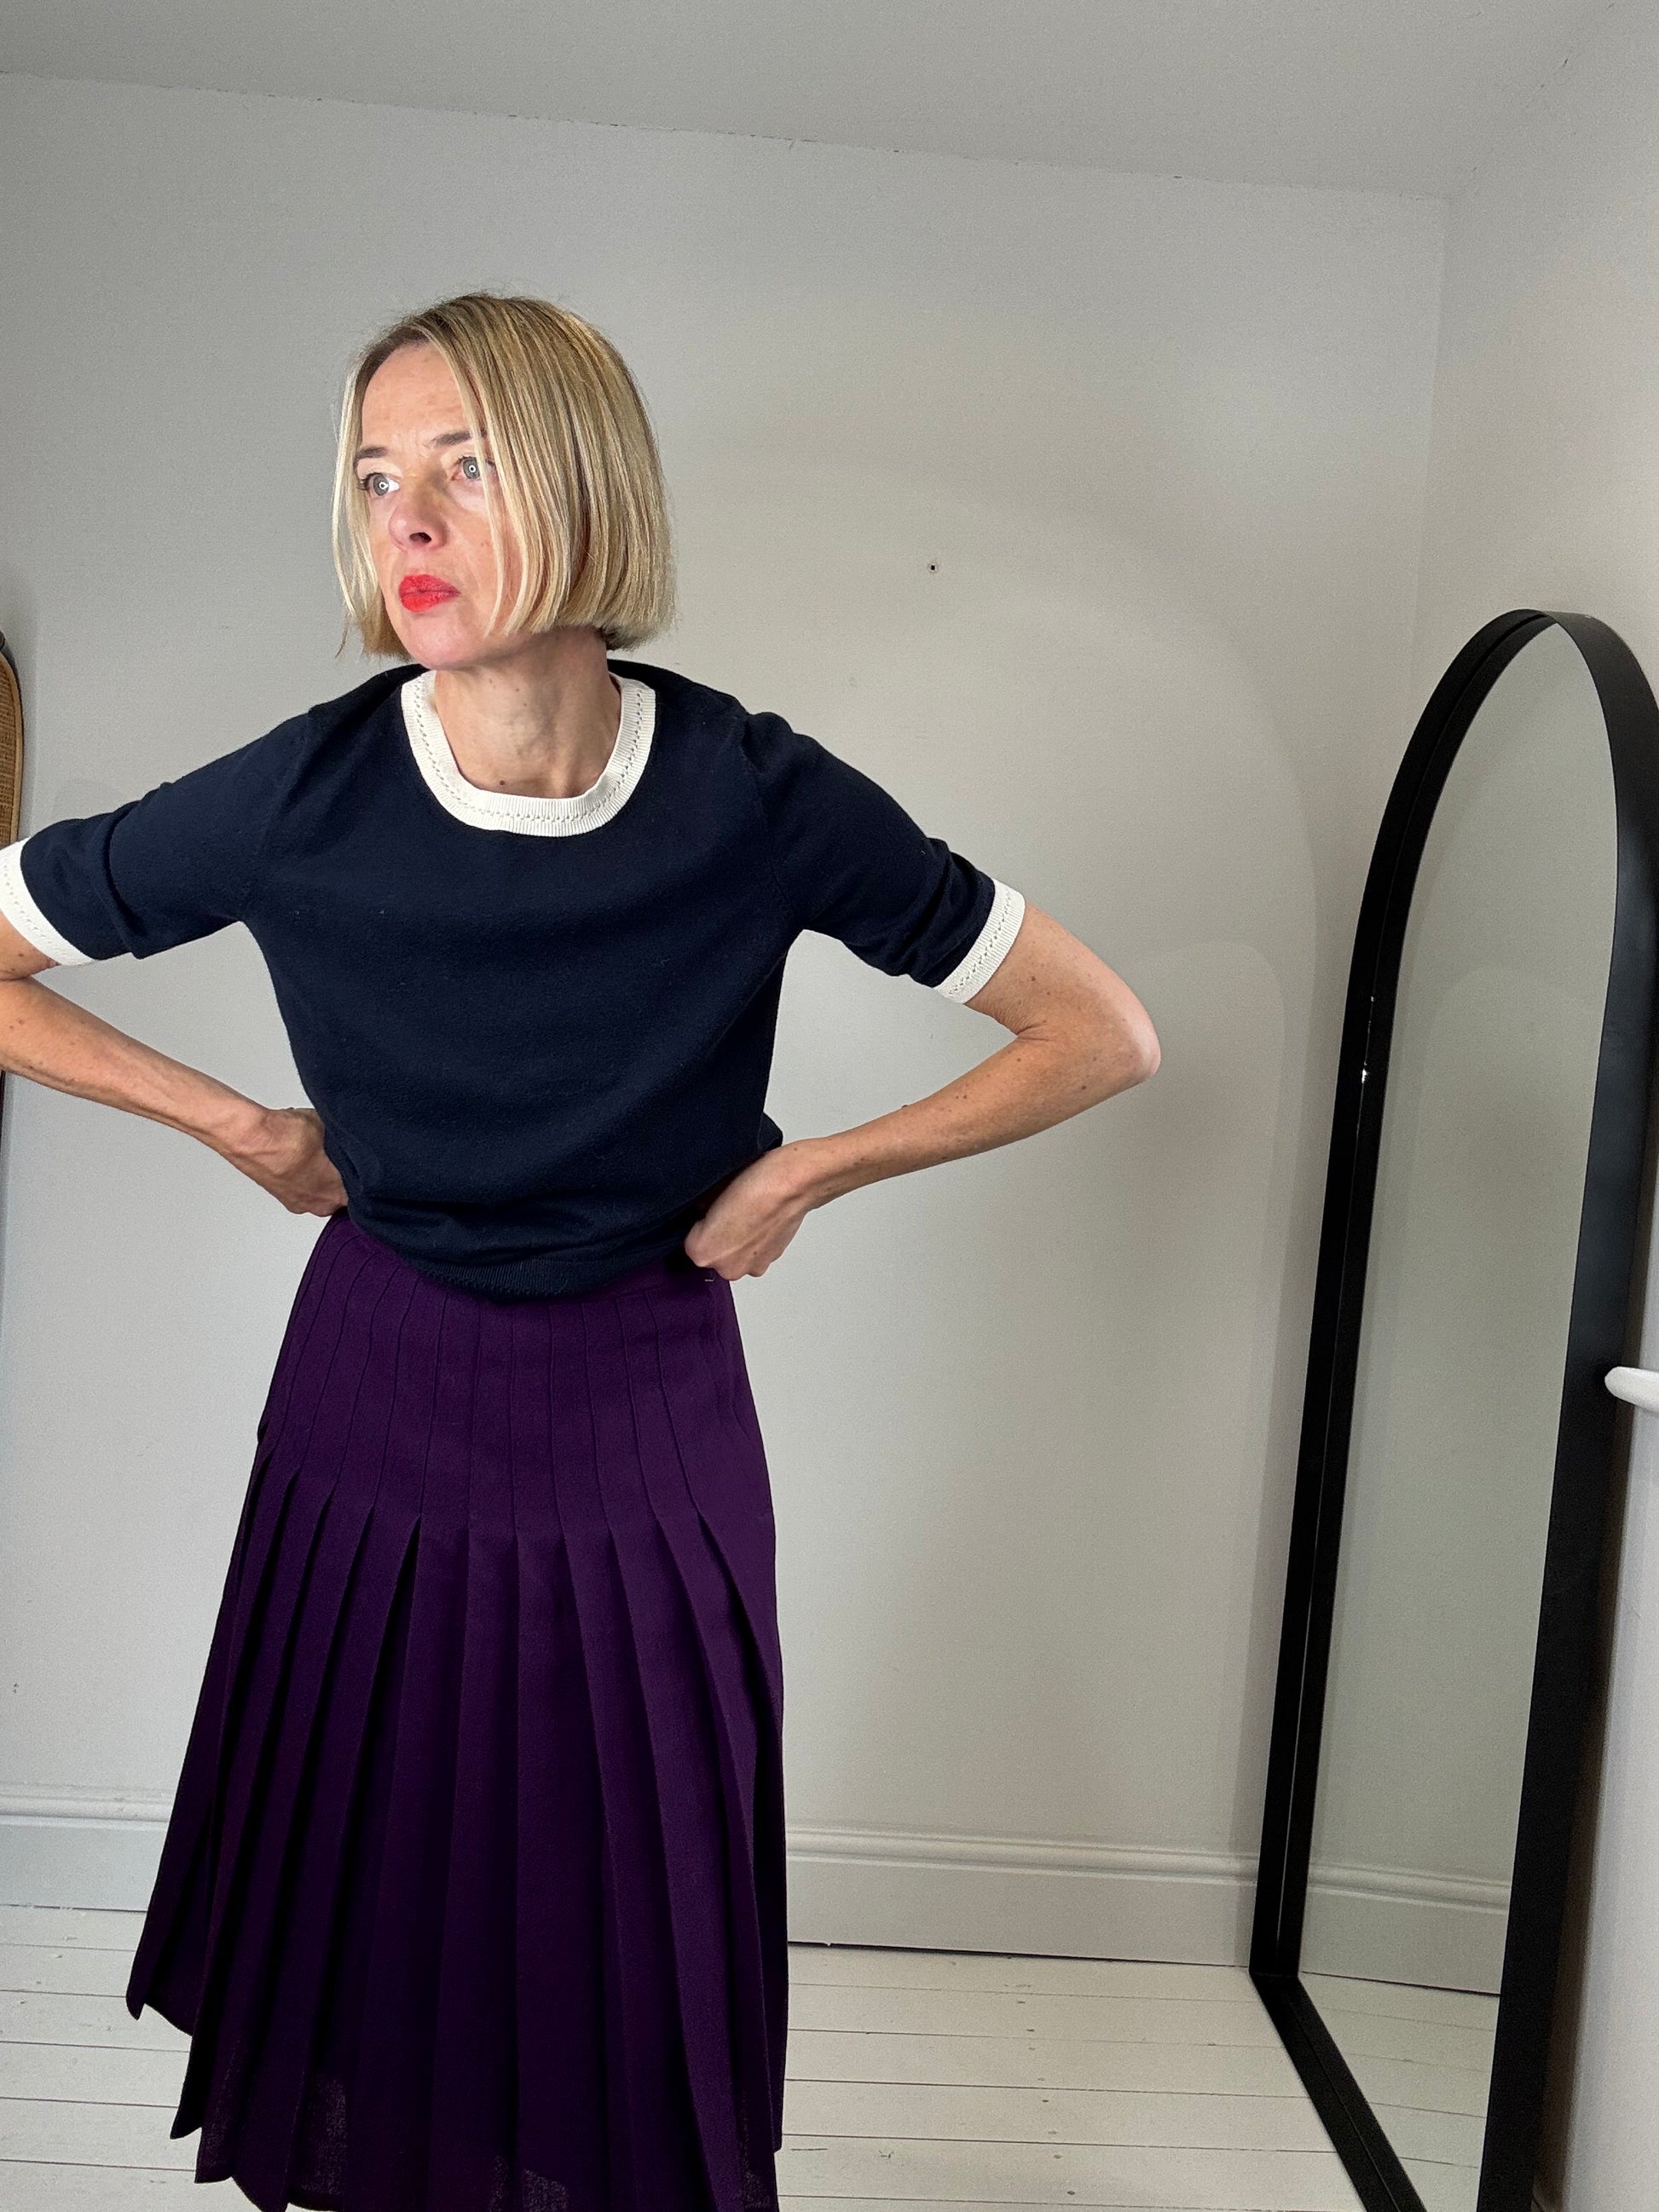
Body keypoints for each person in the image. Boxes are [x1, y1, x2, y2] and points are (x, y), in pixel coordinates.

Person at [0, 292, 1160, 2212]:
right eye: (377, 476)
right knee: (383, 1843)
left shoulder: (755, 793)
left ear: (583, 482)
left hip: (646, 1385)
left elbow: (1100, 1032)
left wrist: (815, 1172)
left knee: (634, 1871)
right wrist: (237, 1125)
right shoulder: (301, 794)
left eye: (463, 464)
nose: (407, 518)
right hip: (376, 1375)